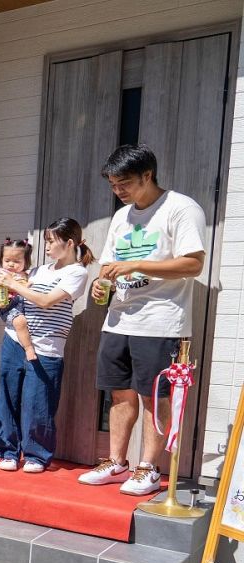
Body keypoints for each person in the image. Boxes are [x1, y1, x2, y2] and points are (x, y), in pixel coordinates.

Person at [79, 144, 207, 495]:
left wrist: (137, 265)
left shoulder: (181, 208)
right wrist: (101, 284)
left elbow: (193, 264)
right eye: (113, 185)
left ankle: (149, 468)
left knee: (155, 397)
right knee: (119, 395)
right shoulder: (121, 217)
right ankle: (116, 462)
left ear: (147, 175)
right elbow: (108, 266)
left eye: (125, 184)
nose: (118, 191)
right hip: (119, 319)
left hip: (161, 319)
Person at [0, 218, 92, 473]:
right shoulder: (38, 271)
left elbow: (46, 301)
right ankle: (7, 451)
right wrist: (3, 294)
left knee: (39, 403)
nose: (46, 246)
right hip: (14, 340)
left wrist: (14, 284)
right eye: (45, 241)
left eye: (51, 241)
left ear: (69, 243)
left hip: (47, 346)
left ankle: (36, 455)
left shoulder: (77, 272)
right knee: (8, 397)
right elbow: (17, 297)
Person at [0, 237, 39, 361]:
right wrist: (22, 286)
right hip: (10, 305)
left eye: (17, 261)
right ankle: (29, 348)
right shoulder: (3, 274)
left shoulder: (28, 273)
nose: (11, 264)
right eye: (7, 260)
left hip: (24, 305)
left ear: (26, 261)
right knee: (20, 322)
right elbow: (2, 288)